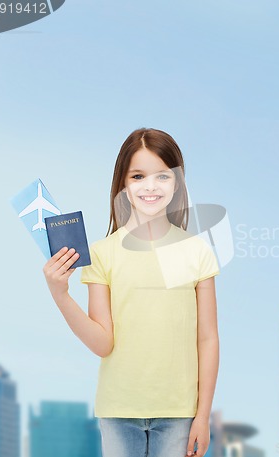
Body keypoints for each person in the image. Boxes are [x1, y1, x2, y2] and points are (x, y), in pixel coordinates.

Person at [43, 128, 220, 457]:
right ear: (123, 182)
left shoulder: (197, 252)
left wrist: (203, 415)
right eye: (138, 176)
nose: (150, 187)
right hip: (118, 411)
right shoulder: (102, 253)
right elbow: (103, 342)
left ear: (178, 182)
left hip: (180, 412)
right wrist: (60, 295)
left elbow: (207, 338)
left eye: (162, 176)